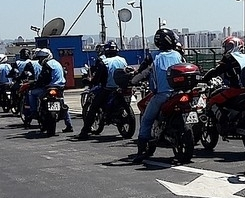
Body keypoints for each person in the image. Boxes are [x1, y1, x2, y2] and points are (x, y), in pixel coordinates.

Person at [131, 28, 184, 163]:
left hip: (162, 95)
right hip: (179, 92)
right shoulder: (178, 55)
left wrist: (133, 80)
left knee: (146, 120)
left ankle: (141, 151)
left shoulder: (153, 56)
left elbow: (142, 71)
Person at [202, 36, 245, 133]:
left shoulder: (229, 58)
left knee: (212, 100)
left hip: (236, 90)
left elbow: (216, 71)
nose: (227, 49)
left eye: (229, 46)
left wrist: (204, 79)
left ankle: (224, 123)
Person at [78, 41, 128, 138]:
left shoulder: (104, 62)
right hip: (121, 88)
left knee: (93, 108)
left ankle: (84, 132)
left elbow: (98, 78)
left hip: (108, 88)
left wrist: (91, 81)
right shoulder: (123, 60)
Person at [27, 48, 74, 133]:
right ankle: (69, 124)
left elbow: (43, 78)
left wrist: (36, 84)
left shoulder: (46, 64)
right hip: (60, 87)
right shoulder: (57, 63)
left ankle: (33, 112)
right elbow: (64, 74)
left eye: (42, 57)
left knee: (31, 93)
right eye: (40, 57)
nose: (41, 59)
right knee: (62, 105)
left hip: (49, 87)